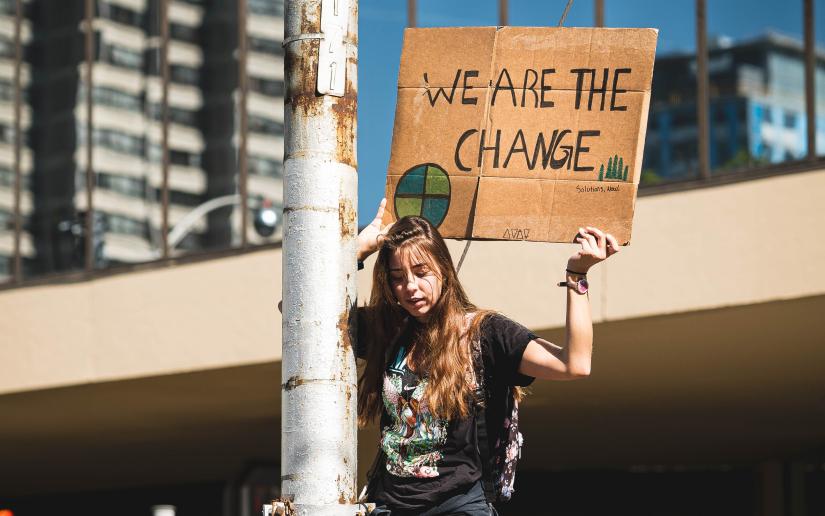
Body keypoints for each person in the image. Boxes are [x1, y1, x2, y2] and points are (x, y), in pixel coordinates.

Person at [355, 199, 620, 516]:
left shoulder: (484, 333)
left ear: (444, 270)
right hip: (390, 505)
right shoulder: (388, 330)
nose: (410, 286)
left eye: (421, 272)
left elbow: (574, 364)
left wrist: (577, 273)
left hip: (457, 506)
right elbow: (300, 318)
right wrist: (357, 251)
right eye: (398, 277)